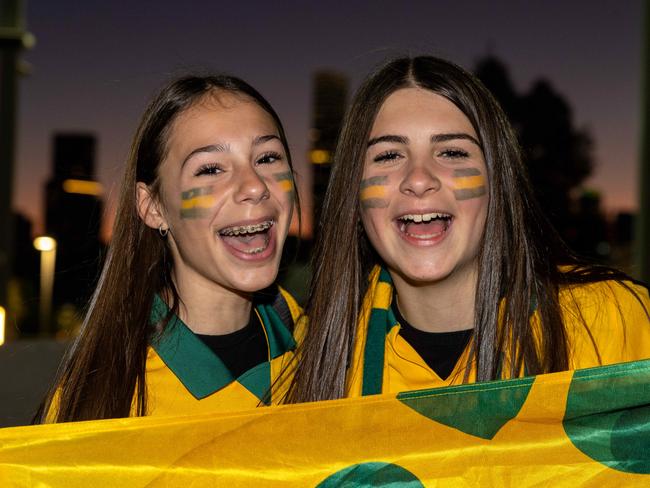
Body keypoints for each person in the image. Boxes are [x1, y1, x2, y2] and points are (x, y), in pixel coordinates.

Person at [286, 56, 650, 402]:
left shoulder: (618, 320)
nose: (418, 179)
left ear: (499, 180)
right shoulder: (311, 355)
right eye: (389, 156)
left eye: (452, 153)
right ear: (354, 192)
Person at [36, 74, 302, 422]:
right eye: (210, 169)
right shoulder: (101, 404)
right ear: (152, 207)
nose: (254, 186)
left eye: (267, 158)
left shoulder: (334, 348)